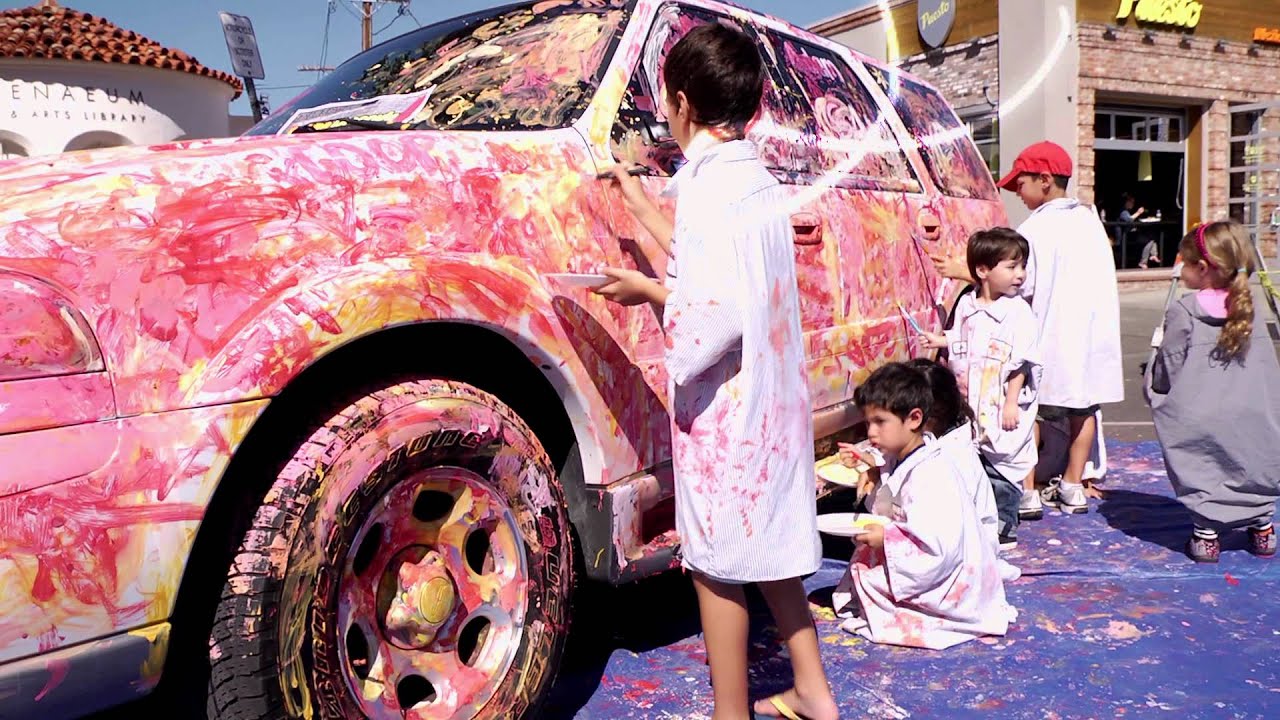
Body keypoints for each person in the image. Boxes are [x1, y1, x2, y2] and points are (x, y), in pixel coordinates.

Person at [592, 24, 838, 720]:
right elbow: (713, 266)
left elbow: (714, 310)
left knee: (716, 563)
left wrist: (646, 292)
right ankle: (813, 691)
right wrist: (641, 204)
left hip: (728, 407)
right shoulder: (752, 181)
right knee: (769, 542)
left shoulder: (709, 189)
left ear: (680, 102)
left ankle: (733, 712)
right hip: (771, 397)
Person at [931, 141, 1122, 516]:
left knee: (1031, 413)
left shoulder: (1036, 228)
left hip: (1050, 336)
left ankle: (1028, 491)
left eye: (1021, 183)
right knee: (1083, 410)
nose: (1017, 191)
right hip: (1089, 339)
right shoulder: (1090, 220)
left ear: (1044, 180)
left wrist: (965, 272)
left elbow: (1018, 283)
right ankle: (1073, 485)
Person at [831, 363, 1013, 649]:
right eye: (868, 423)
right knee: (864, 572)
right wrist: (875, 471)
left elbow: (939, 547)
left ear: (914, 418)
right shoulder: (906, 456)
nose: (872, 433)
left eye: (880, 422)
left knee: (868, 578)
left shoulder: (933, 473)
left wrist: (887, 539)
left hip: (952, 576)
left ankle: (929, 613)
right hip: (933, 564)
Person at [1146, 220, 1280, 562]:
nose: (1179, 268)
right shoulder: (1250, 306)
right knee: (1253, 458)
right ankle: (1262, 527)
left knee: (1203, 463)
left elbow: (1170, 365)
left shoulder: (1185, 311)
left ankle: (1206, 532)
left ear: (1202, 268)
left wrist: (1156, 387)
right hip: (1252, 408)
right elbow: (1266, 365)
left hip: (1202, 412)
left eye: (1184, 262)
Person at [922, 229, 1041, 547]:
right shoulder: (967, 305)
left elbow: (1021, 362)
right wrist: (941, 340)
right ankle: (978, 520)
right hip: (971, 402)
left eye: (1022, 266)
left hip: (999, 402)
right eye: (1011, 267)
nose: (1020, 275)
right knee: (972, 460)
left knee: (1002, 466)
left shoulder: (1018, 312)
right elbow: (963, 340)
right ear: (983, 270)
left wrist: (1012, 402)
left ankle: (1004, 525)